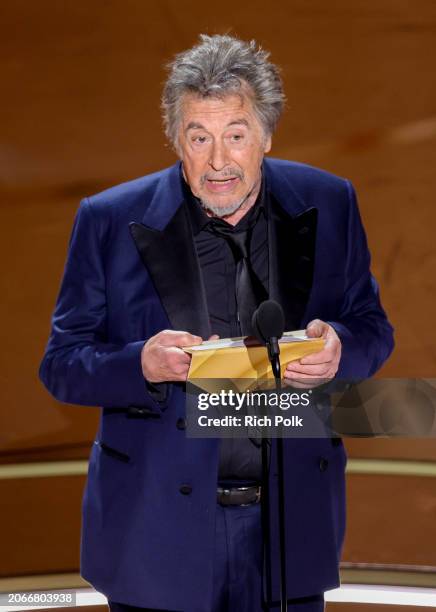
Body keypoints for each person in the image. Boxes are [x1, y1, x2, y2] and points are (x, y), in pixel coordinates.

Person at [39, 34, 394, 612]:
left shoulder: (329, 201)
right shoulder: (107, 219)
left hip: (288, 530)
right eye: (198, 138)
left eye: (236, 135)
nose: (218, 161)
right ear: (176, 139)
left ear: (266, 137)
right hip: (156, 535)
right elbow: (61, 365)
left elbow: (371, 326)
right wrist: (140, 364)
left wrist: (341, 350)